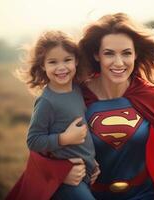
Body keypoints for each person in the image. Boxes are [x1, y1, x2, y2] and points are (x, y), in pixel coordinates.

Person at [7, 14, 154, 200]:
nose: (119, 63)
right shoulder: (78, 96)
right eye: (109, 54)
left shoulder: (146, 94)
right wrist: (60, 174)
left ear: (135, 55)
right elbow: (41, 152)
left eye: (126, 53)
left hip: (146, 194)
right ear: (96, 54)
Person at [6, 30, 98, 200]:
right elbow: (33, 141)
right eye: (53, 62)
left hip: (86, 174)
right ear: (43, 65)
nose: (61, 67)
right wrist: (64, 139)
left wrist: (92, 163)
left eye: (67, 60)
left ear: (76, 60)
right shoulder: (47, 102)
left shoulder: (77, 90)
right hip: (66, 181)